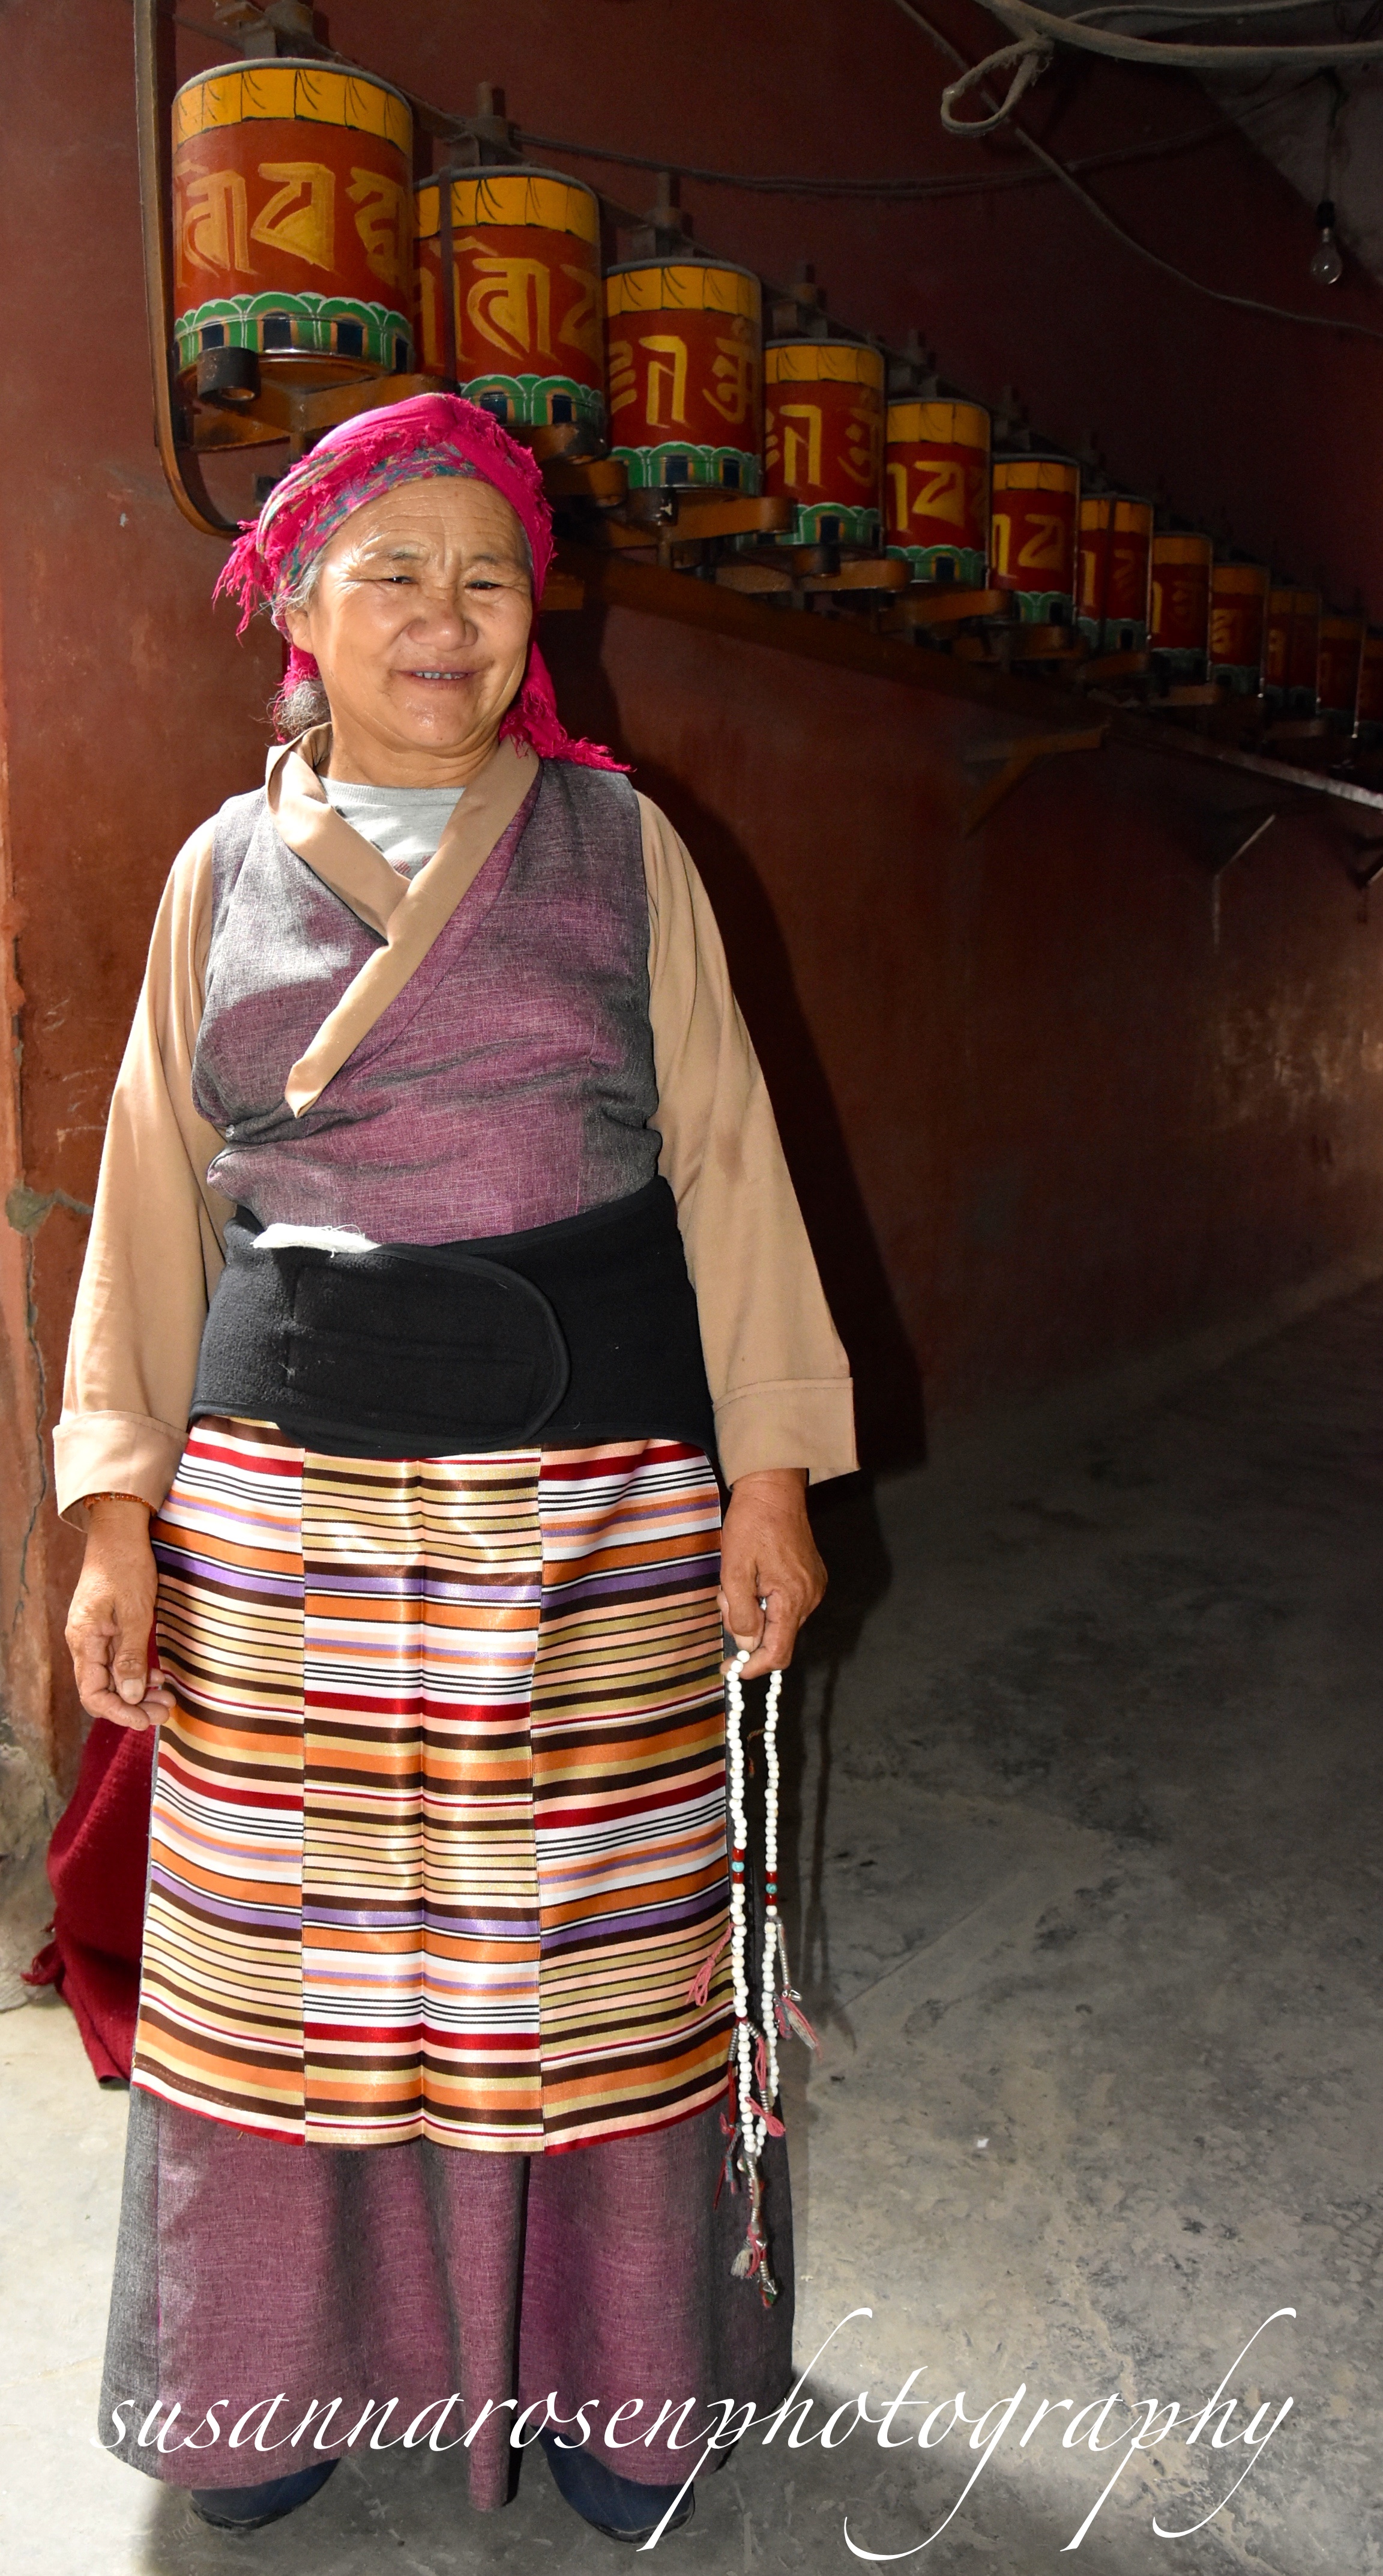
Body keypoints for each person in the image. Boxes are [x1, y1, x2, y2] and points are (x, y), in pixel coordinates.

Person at [56, 391, 855, 2543]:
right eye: (392, 572)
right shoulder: (219, 873)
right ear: (299, 614)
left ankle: (617, 2386)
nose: (446, 613)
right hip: (282, 1516)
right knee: (296, 1970)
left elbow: (729, 1160)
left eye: (489, 575)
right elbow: (150, 1192)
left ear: (534, 620)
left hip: (592, 1507)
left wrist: (774, 1473)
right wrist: (115, 1510)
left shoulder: (622, 849)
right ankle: (266, 2390)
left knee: (580, 1963)